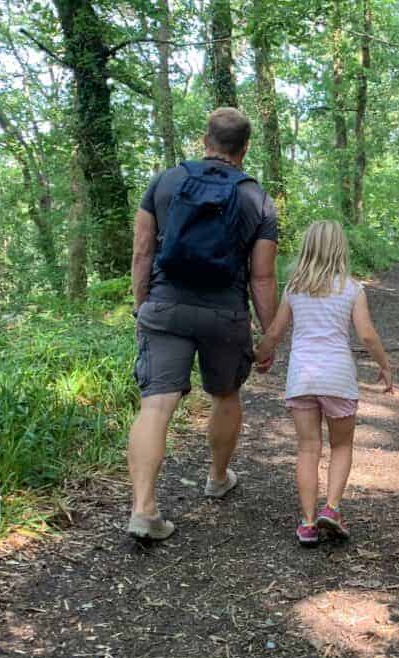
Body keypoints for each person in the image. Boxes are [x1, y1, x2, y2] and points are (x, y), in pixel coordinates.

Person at [126, 108, 279, 540]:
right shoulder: (257, 198)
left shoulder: (164, 182)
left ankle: (144, 509)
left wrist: (144, 306)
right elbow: (262, 276)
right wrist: (269, 333)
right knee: (226, 394)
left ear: (204, 139)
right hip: (225, 312)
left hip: (165, 305)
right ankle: (217, 477)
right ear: (245, 148)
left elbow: (142, 251)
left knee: (156, 405)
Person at [253, 221, 393, 546]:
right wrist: (385, 366)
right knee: (341, 446)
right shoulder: (352, 289)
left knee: (307, 449)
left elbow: (274, 333)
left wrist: (259, 355)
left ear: (308, 249)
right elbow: (368, 335)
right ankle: (331, 508)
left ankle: (307, 523)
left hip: (301, 378)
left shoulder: (295, 288)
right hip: (338, 379)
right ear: (340, 250)